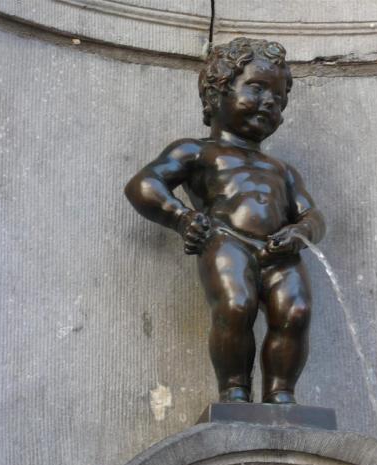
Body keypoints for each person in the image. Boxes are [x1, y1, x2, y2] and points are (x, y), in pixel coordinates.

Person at [124, 38, 325, 404]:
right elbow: (144, 184)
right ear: (217, 93)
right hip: (226, 240)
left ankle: (281, 395)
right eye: (257, 88)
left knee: (296, 311)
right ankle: (234, 391)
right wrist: (182, 218)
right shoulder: (197, 150)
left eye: (278, 97)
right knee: (235, 306)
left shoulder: (282, 170)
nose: (269, 101)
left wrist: (300, 232)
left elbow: (312, 214)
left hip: (280, 250)